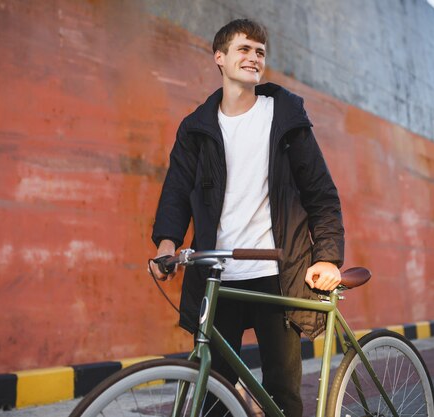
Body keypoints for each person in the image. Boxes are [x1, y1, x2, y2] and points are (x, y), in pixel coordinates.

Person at [150, 19, 344, 417]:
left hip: (278, 271)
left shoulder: (284, 117)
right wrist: (166, 243)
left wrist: (327, 256)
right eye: (244, 49)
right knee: (213, 392)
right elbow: (176, 190)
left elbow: (320, 192)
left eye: (260, 52)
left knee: (281, 394)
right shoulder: (196, 128)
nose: (254, 57)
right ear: (219, 58)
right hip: (218, 274)